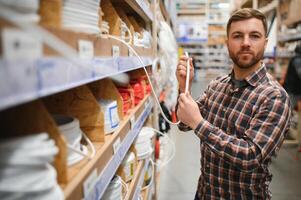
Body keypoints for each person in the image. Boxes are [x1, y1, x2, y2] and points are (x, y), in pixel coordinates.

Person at [176, 8, 291, 199]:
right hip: (205, 193)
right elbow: (184, 123)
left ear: (265, 42)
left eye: (254, 36)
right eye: (237, 36)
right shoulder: (216, 86)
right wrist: (184, 88)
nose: (246, 43)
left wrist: (199, 123)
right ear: (227, 42)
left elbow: (250, 157)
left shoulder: (274, 97)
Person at [283, 44, 301, 109]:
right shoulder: (297, 59)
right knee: (288, 109)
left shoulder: (295, 58)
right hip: (292, 90)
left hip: (293, 89)